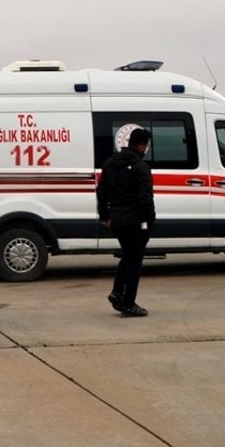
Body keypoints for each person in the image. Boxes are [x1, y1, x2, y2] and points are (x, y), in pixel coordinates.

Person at [97, 127, 155, 317]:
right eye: (146, 145)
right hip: (136, 222)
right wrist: (150, 220)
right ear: (141, 145)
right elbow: (145, 198)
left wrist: (105, 216)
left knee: (128, 255)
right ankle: (129, 303)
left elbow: (101, 191)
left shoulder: (109, 164)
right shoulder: (141, 168)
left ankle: (117, 292)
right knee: (134, 261)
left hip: (117, 221)